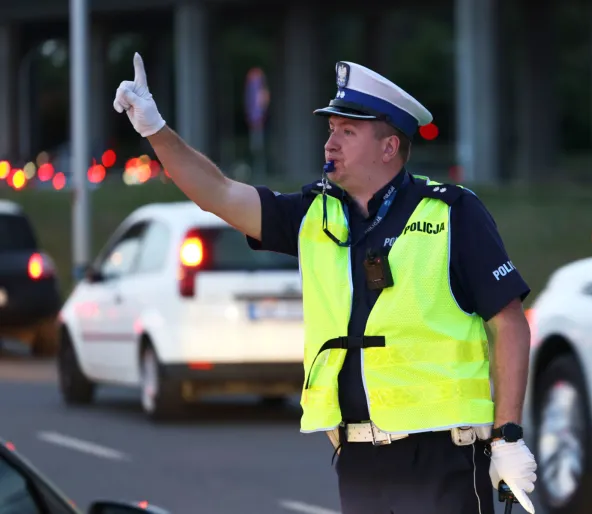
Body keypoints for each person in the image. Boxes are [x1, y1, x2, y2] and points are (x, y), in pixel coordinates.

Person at [114, 53, 537, 514]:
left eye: (347, 132)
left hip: (442, 456)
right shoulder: (315, 214)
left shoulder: (453, 212)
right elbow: (216, 192)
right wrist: (154, 128)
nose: (330, 143)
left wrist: (508, 436)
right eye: (331, 130)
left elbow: (509, 322)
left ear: (388, 148)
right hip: (358, 458)